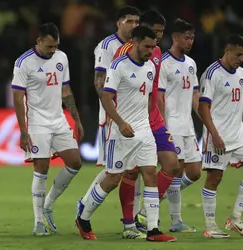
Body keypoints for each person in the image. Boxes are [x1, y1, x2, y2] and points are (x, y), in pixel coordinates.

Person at [75, 26, 176, 242]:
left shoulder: (150, 67)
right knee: (112, 179)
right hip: (120, 133)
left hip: (144, 131)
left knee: (150, 173)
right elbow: (106, 98)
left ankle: (152, 230)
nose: (152, 50)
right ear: (136, 42)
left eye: (154, 46)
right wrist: (120, 123)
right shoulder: (118, 66)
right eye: (147, 46)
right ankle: (83, 218)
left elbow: (149, 97)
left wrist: (148, 121)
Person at [109, 10, 181, 238]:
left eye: (161, 33)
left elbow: (154, 89)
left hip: (153, 118)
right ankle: (130, 223)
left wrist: (158, 117)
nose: (158, 38)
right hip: (132, 120)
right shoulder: (125, 53)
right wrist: (119, 120)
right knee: (129, 173)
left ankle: (145, 216)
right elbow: (112, 89)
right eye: (155, 32)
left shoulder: (155, 52)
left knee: (171, 165)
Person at [12, 22, 84, 236]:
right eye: (50, 46)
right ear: (39, 41)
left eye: (56, 46)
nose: (53, 51)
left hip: (59, 120)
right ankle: (38, 222)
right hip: (37, 123)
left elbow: (66, 89)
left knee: (75, 162)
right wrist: (23, 130)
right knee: (41, 168)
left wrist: (76, 119)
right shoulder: (24, 62)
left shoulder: (61, 58)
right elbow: (18, 98)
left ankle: (48, 203)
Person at [76, 5, 140, 223]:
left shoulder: (139, 45)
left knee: (136, 168)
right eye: (129, 21)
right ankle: (86, 205)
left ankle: (135, 218)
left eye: (137, 22)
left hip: (136, 115)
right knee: (116, 170)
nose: (133, 25)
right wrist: (112, 110)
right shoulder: (106, 46)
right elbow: (99, 80)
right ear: (118, 23)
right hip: (114, 118)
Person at [155, 18, 201, 232]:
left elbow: (194, 95)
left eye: (192, 37)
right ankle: (175, 221)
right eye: (186, 37)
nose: (190, 41)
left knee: (194, 172)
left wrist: (204, 119)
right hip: (172, 124)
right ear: (174, 38)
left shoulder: (191, 64)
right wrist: (163, 126)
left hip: (188, 126)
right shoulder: (164, 62)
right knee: (175, 170)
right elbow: (159, 98)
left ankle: (159, 195)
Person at [199, 35, 243, 238]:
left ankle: (236, 218)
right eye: (238, 54)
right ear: (227, 51)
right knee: (214, 178)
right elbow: (203, 107)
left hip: (238, 133)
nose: (241, 59)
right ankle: (210, 226)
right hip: (218, 135)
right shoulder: (212, 74)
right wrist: (214, 135)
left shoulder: (241, 73)